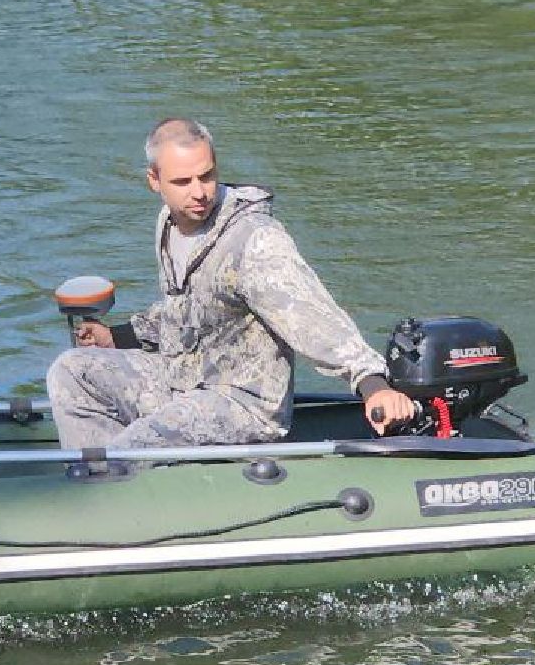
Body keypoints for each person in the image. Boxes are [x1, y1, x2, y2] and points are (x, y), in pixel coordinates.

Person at [47, 118, 416, 449]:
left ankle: (111, 484)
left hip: (242, 403)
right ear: (154, 181)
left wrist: (371, 383)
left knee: (134, 444)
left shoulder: (254, 241)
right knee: (71, 371)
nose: (199, 192)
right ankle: (92, 485)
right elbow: (186, 309)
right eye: (182, 181)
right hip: (183, 381)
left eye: (206, 176)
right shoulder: (170, 224)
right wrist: (121, 336)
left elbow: (310, 315)